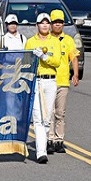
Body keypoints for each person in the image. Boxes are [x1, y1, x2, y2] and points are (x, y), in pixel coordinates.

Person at [25, 13, 61, 164]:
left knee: (47, 118)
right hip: (36, 81)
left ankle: (42, 145)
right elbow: (25, 61)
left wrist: (44, 57)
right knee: (38, 118)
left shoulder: (55, 41)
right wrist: (33, 57)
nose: (45, 25)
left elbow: (57, 61)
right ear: (37, 25)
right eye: (42, 23)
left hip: (50, 81)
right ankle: (41, 152)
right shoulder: (30, 42)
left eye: (47, 23)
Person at [48, 9, 80, 154]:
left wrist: (75, 74)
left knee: (60, 113)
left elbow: (73, 57)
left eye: (60, 22)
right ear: (51, 24)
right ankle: (49, 139)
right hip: (49, 80)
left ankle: (59, 140)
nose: (58, 25)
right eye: (55, 22)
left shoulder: (68, 40)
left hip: (62, 81)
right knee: (49, 112)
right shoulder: (47, 39)